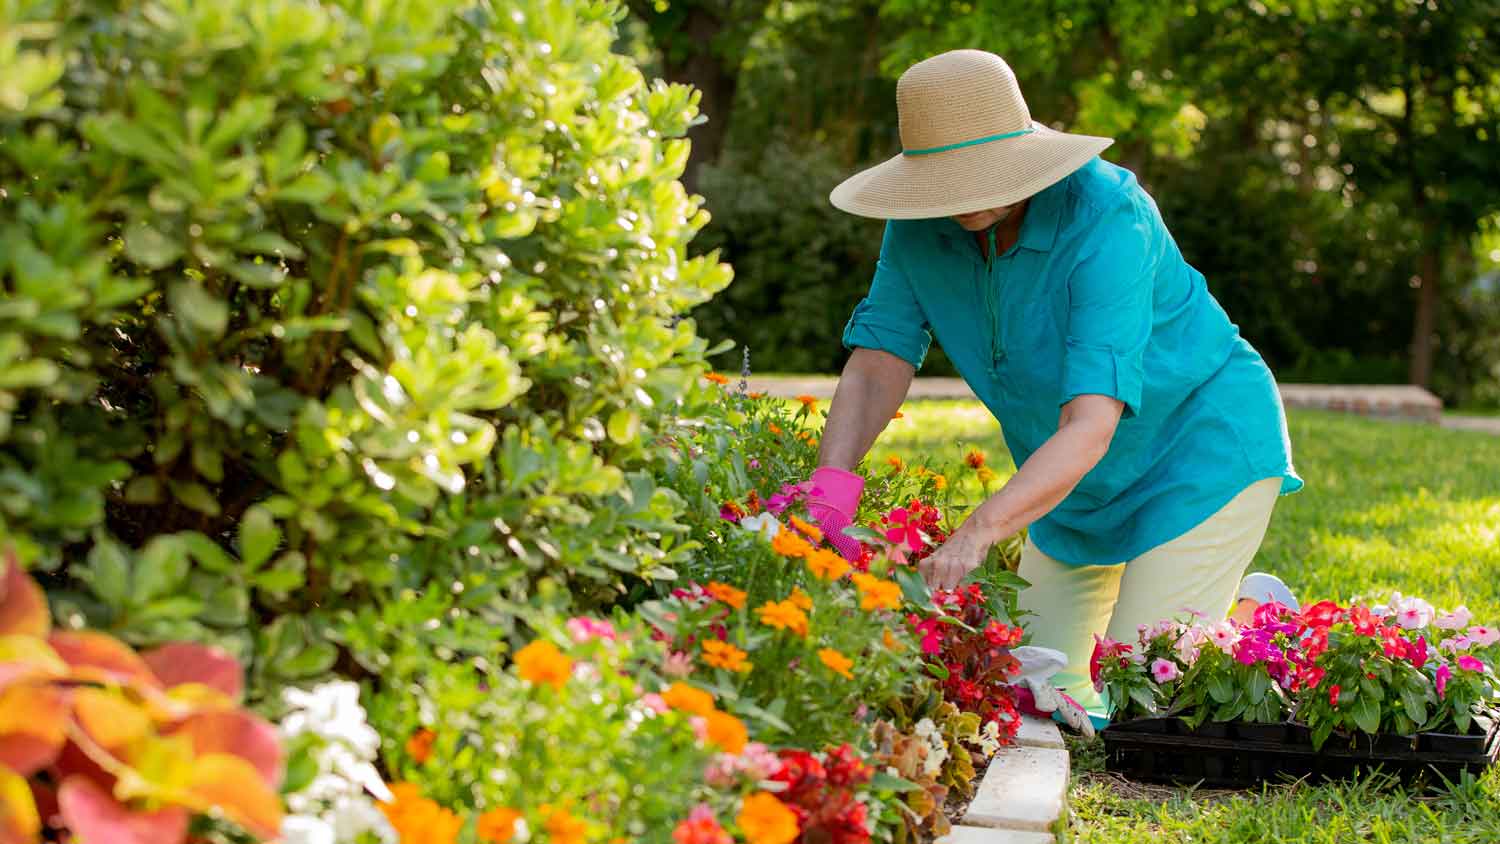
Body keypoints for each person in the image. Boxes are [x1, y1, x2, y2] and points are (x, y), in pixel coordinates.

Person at [802, 49, 1303, 727]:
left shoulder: (1107, 217)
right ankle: (1207, 615)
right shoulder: (923, 223)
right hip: (1074, 486)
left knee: (1141, 702)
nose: (965, 199)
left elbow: (1092, 422)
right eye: (946, 182)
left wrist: (977, 533)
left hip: (1198, 451)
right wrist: (830, 486)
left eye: (979, 175)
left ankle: (1264, 627)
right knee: (1024, 686)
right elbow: (877, 362)